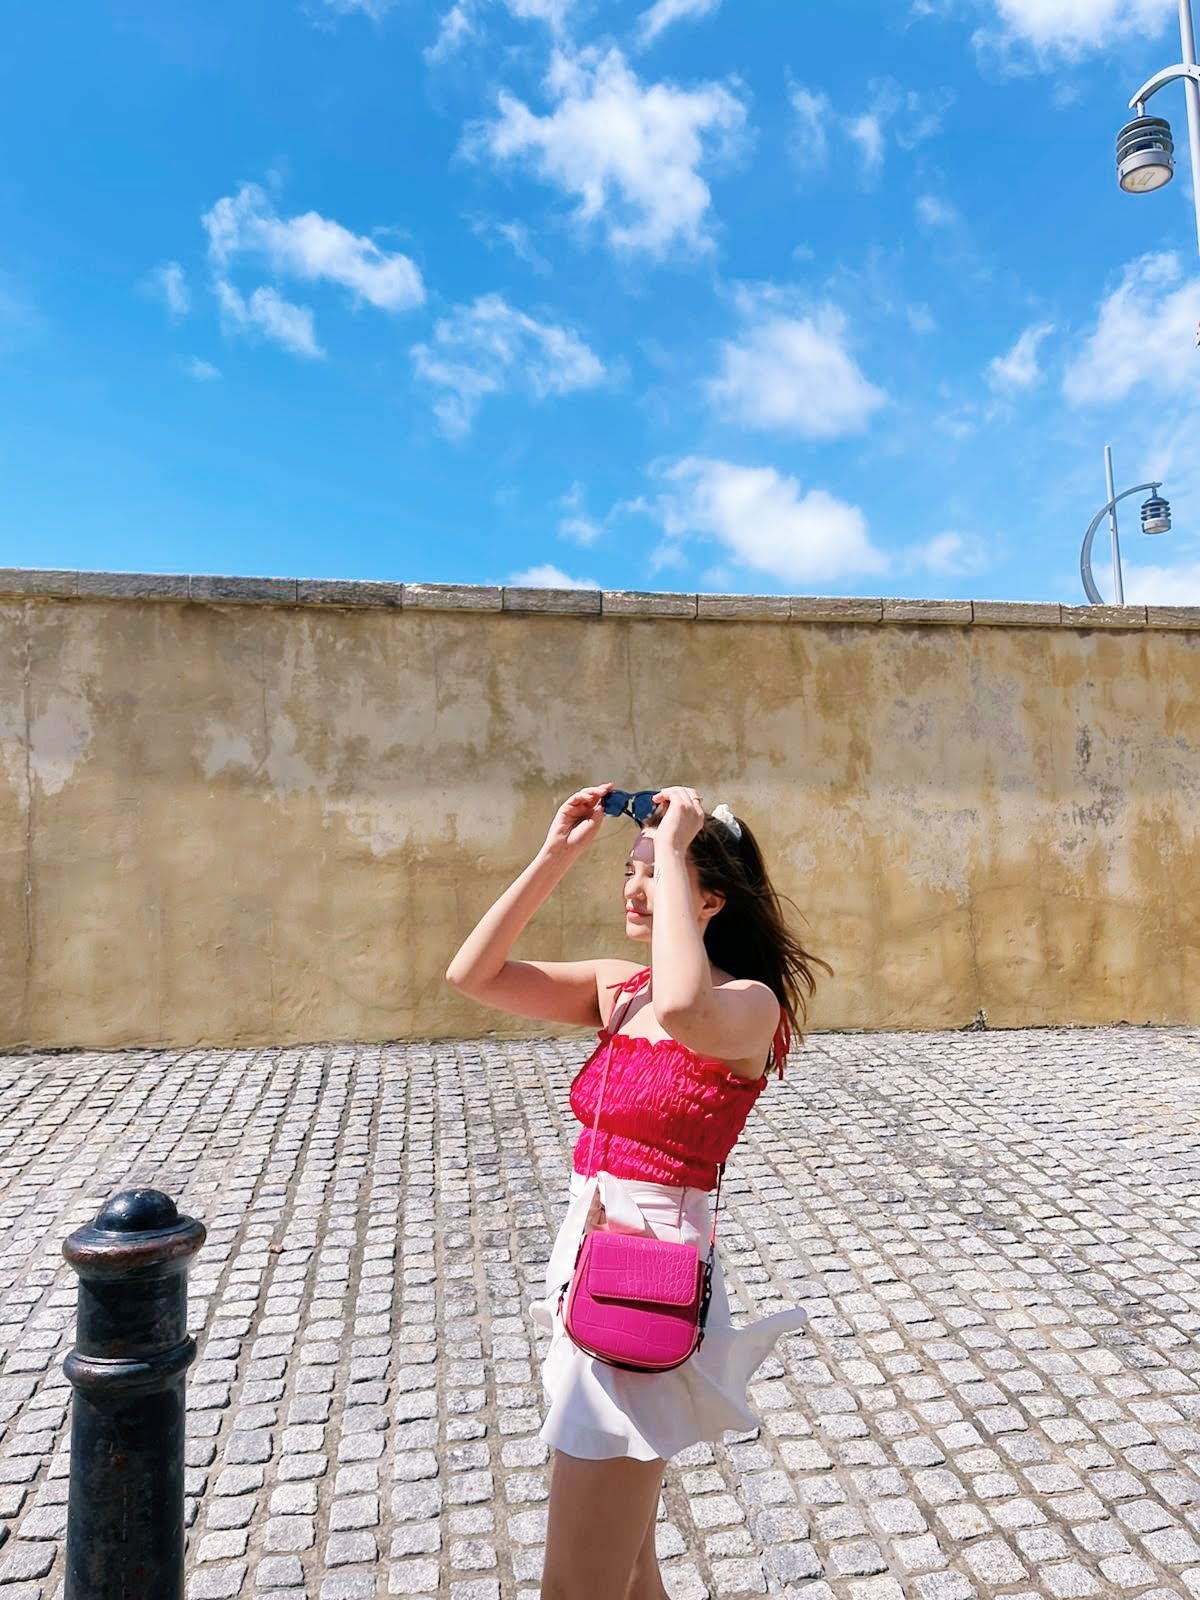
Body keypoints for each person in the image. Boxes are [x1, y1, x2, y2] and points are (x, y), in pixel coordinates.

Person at [445, 782, 833, 1600]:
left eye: (651, 872)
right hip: (586, 1276)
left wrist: (679, 838)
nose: (632, 886)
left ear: (709, 898)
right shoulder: (618, 989)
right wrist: (556, 854)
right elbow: (472, 974)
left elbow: (687, 1005)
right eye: (629, 870)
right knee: (626, 1576)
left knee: (578, 1588)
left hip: (643, 1295)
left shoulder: (747, 1007)